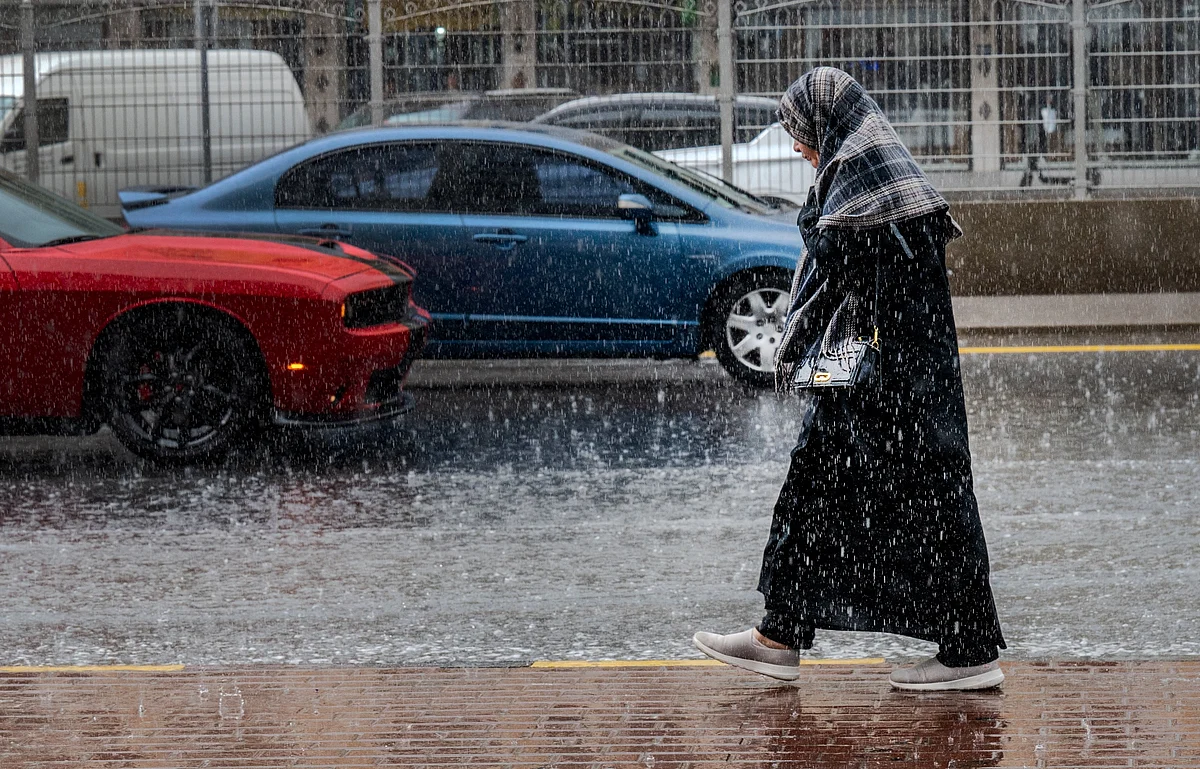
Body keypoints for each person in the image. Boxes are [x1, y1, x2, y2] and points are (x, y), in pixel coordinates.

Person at [693, 67, 1006, 692]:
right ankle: (777, 637)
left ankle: (969, 651)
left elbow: (857, 272)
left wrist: (818, 233)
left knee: (926, 509)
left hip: (897, 394)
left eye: (801, 133)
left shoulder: (874, 194)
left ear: (830, 126)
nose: (796, 147)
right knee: (816, 497)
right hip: (870, 385)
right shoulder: (864, 182)